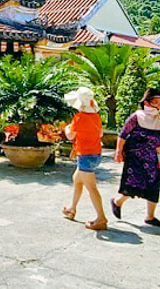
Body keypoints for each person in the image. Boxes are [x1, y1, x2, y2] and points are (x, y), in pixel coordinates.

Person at [111, 88, 160, 228]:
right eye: (155, 102)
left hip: (150, 157)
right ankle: (117, 202)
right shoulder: (136, 117)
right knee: (133, 184)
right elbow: (122, 135)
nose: (158, 105)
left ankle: (150, 217)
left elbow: (158, 141)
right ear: (147, 102)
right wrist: (118, 152)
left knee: (153, 184)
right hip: (135, 156)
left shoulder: (157, 120)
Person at [61, 87, 108, 231]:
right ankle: (72, 208)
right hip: (95, 153)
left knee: (91, 187)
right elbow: (100, 134)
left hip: (85, 155)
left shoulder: (79, 118)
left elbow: (70, 136)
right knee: (77, 180)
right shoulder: (96, 117)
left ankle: (101, 218)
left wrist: (67, 128)